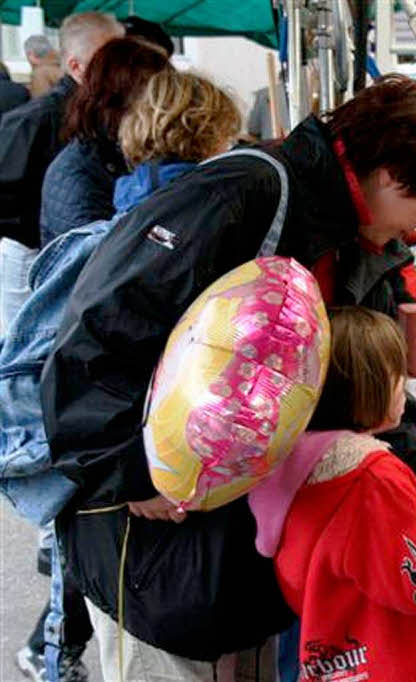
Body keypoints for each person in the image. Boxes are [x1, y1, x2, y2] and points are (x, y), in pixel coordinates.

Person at [42, 74, 416, 672]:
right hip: (156, 553)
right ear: (394, 173)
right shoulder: (244, 194)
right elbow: (99, 333)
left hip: (247, 562)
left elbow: (370, 400)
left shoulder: (357, 246)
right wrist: (132, 471)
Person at [2, 68, 240, 682]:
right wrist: (135, 473)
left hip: (100, 500)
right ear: (217, 137)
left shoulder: (121, 214)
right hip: (153, 494)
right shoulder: (196, 230)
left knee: (124, 649)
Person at [250, 306, 416, 681]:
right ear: (368, 387)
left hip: (342, 662)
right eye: (398, 375)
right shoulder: (371, 479)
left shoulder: (293, 467)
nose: (405, 387)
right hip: (398, 667)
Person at [0, 11, 122, 330]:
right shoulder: (34, 120)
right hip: (31, 254)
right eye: (107, 59)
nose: (122, 67)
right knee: (27, 355)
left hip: (73, 254)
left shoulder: (105, 111)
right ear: (75, 66)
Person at [39, 37, 170, 246]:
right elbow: (92, 264)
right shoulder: (78, 171)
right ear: (120, 98)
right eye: (155, 97)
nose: (164, 109)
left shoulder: (127, 154)